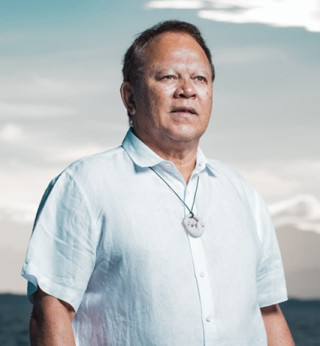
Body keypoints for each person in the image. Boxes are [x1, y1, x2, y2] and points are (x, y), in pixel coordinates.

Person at [22, 20, 294, 345]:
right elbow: (51, 312)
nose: (187, 90)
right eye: (168, 77)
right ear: (130, 96)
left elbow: (269, 314)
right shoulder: (84, 186)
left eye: (200, 79)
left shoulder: (242, 194)